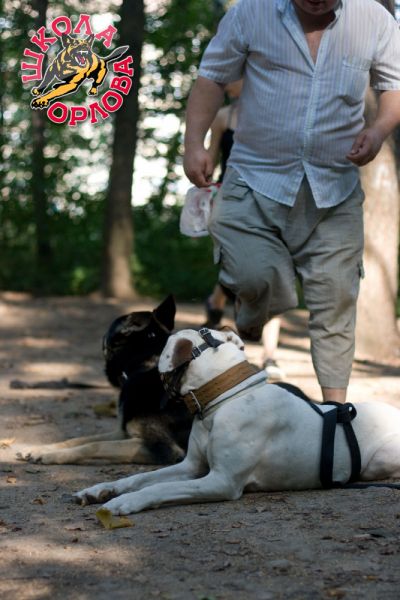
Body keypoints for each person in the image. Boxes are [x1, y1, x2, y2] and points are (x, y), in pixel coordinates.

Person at [184, 0, 400, 403]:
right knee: (255, 275)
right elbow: (211, 78)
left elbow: (394, 87)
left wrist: (379, 130)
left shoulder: (374, 20)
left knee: (336, 300)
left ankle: (335, 413)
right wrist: (194, 143)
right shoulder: (250, 14)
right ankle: (256, 308)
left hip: (334, 190)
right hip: (254, 180)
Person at [203, 79, 284, 379]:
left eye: (232, 76)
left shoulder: (276, 115)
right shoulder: (223, 117)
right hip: (231, 204)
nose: (225, 82)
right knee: (239, 274)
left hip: (270, 203)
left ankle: (269, 357)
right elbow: (210, 162)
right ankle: (217, 302)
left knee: (272, 275)